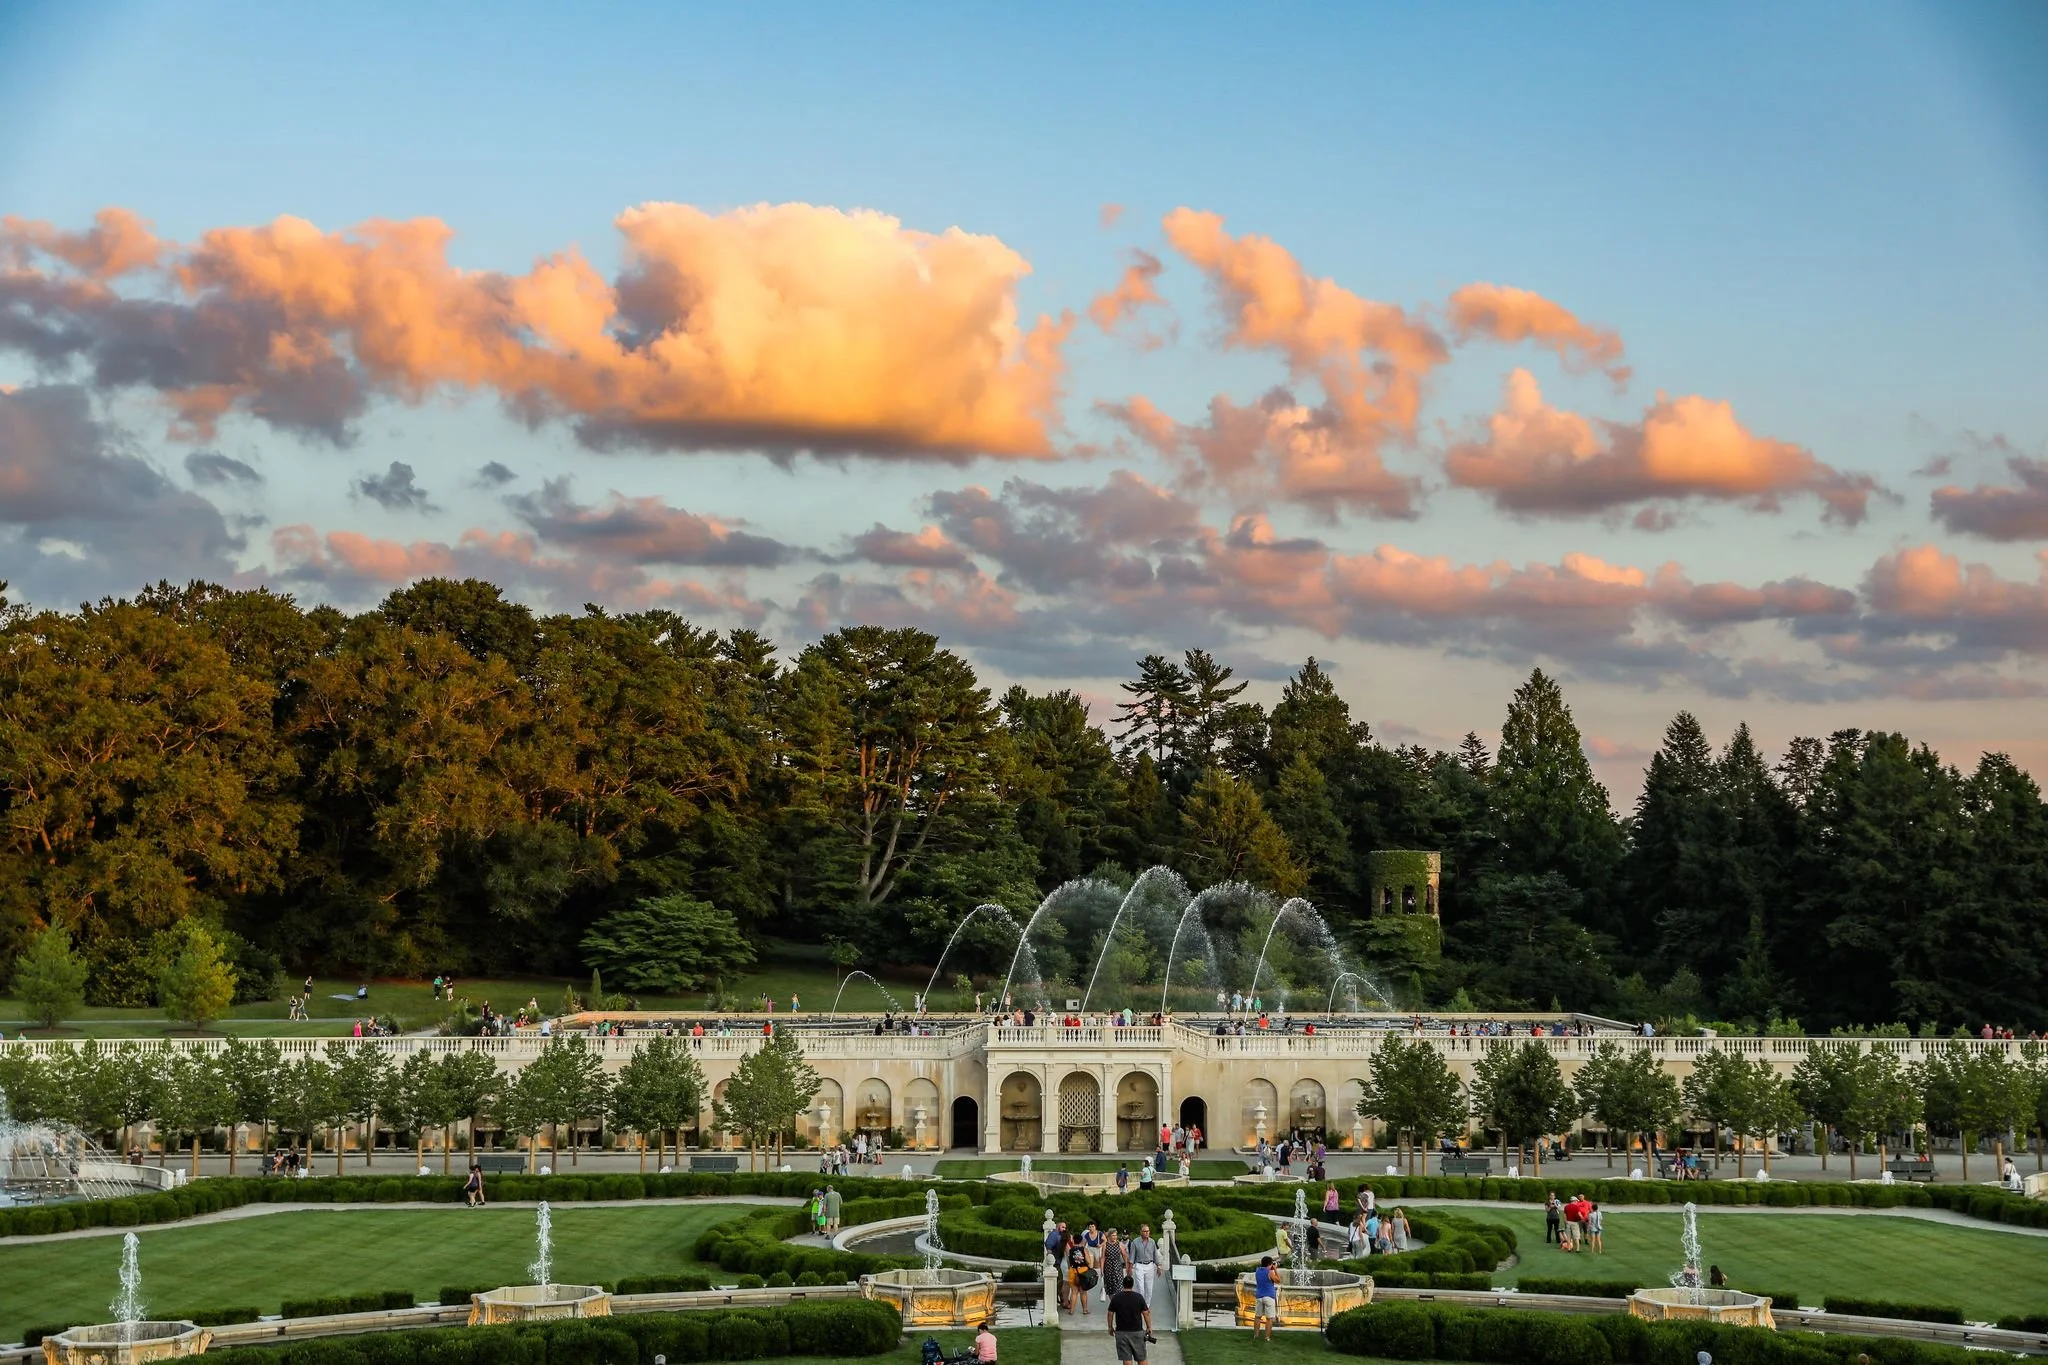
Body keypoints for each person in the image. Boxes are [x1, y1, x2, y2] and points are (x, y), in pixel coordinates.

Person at [1107, 1273, 1151, 1365]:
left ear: (1123, 1284)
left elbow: (1110, 1313)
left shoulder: (1116, 1297)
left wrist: (1110, 1327)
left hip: (1121, 1332)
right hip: (1137, 1332)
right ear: (1132, 1285)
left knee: (1126, 1358)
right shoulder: (1138, 1297)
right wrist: (1149, 1327)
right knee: (1141, 1358)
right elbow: (1146, 1313)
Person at [1252, 1256, 1278, 1343]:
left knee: (1257, 1317)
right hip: (1269, 1297)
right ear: (1270, 1264)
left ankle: (1256, 1335)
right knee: (1269, 1318)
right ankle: (1267, 1337)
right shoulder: (1270, 1272)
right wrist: (1275, 1270)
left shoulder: (1257, 1271)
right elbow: (1278, 1280)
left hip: (1259, 1296)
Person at [1130, 1224, 1157, 1303]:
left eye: (1148, 1231)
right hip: (1139, 1265)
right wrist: (1130, 1268)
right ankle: (1140, 1304)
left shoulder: (1152, 1242)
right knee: (1140, 1288)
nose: (1146, 1233)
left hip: (1150, 1265)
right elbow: (1132, 1256)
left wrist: (1158, 1266)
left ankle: (1146, 1306)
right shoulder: (1135, 1242)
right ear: (1141, 1232)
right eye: (1144, 1231)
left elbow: (1155, 1254)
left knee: (1149, 1288)